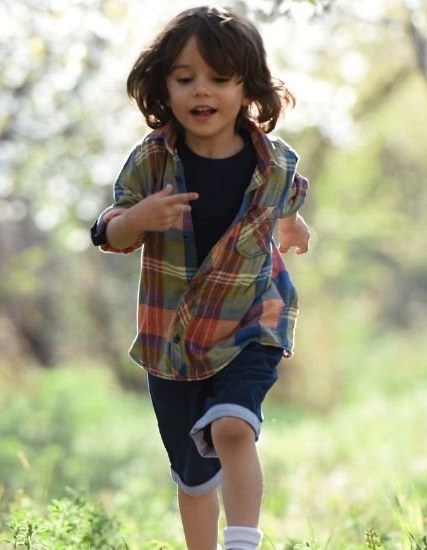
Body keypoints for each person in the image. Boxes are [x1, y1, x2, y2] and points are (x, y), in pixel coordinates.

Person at [90, 6, 310, 549]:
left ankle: (243, 542)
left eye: (218, 78)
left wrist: (293, 224)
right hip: (174, 340)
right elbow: (108, 230)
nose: (200, 91)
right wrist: (139, 220)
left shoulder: (274, 162)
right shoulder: (152, 161)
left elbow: (282, 201)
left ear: (247, 87)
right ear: (164, 86)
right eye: (185, 78)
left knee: (232, 427)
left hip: (251, 321)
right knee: (193, 477)